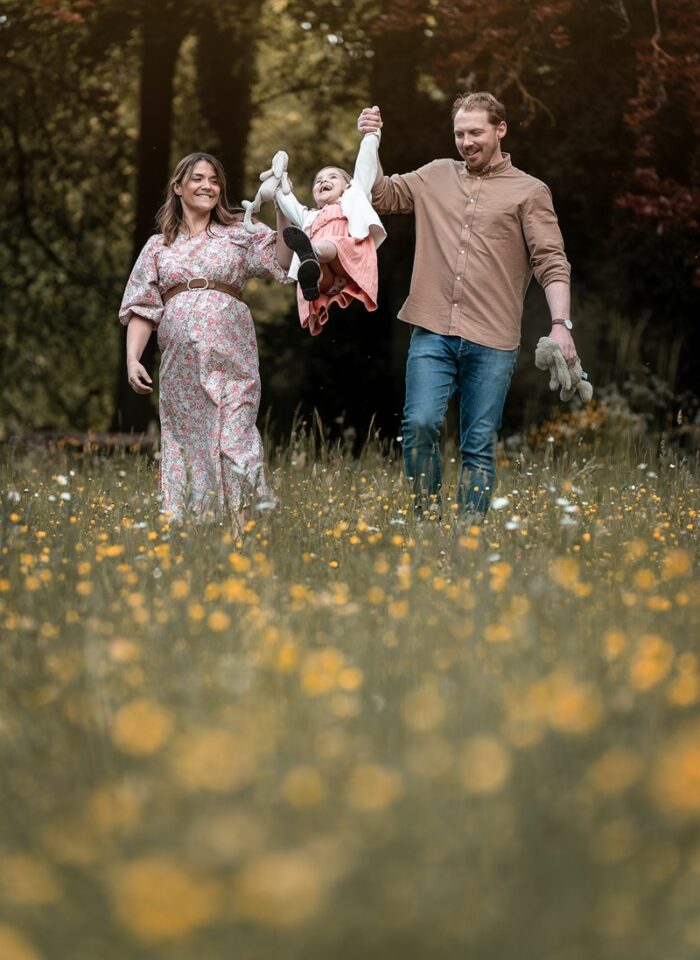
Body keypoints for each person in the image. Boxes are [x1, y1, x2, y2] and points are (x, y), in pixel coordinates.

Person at [357, 93, 577, 516]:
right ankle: (426, 520)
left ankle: (468, 538)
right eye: (459, 133)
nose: (466, 141)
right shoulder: (436, 175)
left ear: (501, 129)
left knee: (478, 443)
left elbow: (551, 262)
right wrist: (371, 140)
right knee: (419, 425)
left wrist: (560, 325)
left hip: (493, 337)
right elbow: (381, 195)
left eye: (475, 132)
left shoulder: (529, 192)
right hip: (432, 329)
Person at [119, 152, 292, 530]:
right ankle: (194, 533)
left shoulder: (238, 232)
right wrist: (133, 359)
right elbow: (141, 309)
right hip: (180, 366)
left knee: (237, 440)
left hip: (233, 356)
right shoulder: (158, 246)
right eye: (198, 179)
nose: (208, 186)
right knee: (189, 445)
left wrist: (281, 203)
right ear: (178, 187)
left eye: (214, 180)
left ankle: (243, 534)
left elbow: (281, 257)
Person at [275, 132, 386, 337]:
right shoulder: (310, 216)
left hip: (347, 259)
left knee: (329, 243)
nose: (323, 181)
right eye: (318, 181)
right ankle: (312, 277)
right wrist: (280, 180)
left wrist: (371, 136)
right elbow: (289, 204)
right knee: (316, 271)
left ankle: (312, 250)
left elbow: (365, 167)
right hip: (328, 281)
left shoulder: (353, 198)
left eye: (332, 177)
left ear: (348, 185)